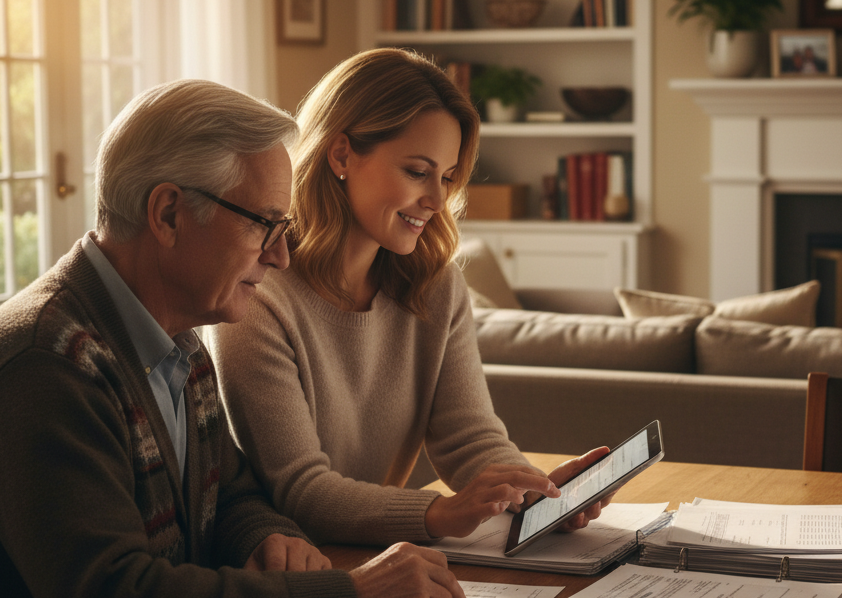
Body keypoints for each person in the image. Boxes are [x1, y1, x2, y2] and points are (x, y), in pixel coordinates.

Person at [0, 79, 468, 598]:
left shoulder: (179, 337)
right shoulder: (47, 363)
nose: (280, 255)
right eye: (264, 225)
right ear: (168, 214)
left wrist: (265, 535)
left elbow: (233, 494)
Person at [206, 48, 610, 549]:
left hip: (380, 553)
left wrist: (536, 492)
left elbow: (469, 437)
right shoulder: (257, 295)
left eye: (447, 177)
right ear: (341, 155)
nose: (438, 201)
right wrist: (441, 512)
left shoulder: (436, 287)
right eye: (418, 172)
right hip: (292, 567)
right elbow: (301, 492)